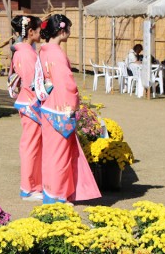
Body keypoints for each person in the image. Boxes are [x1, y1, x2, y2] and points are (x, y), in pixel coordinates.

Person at [38, 14, 101, 204]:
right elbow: (67, 83)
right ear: (61, 30)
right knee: (60, 154)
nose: (70, 32)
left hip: (48, 106)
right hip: (60, 108)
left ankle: (51, 191)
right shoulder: (56, 53)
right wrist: (74, 104)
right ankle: (57, 194)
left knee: (51, 152)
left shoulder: (44, 51)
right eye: (69, 28)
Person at [10, 15, 44, 201]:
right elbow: (32, 82)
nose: (41, 33)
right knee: (31, 146)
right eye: (39, 30)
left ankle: (33, 185)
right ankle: (28, 187)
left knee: (32, 145)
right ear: (30, 32)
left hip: (28, 101)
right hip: (31, 103)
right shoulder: (25, 53)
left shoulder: (23, 51)